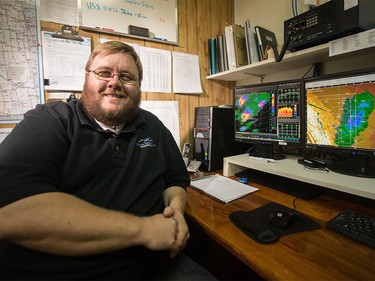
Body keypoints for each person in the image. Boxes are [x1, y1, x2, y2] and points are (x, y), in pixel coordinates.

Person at [0, 41, 216, 280]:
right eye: (104, 73)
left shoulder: (153, 126)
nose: (114, 83)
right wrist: (144, 230)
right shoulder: (50, 121)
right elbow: (11, 212)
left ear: (138, 87)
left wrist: (175, 211)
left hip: (153, 265)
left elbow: (175, 179)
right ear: (86, 78)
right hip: (64, 271)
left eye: (126, 77)